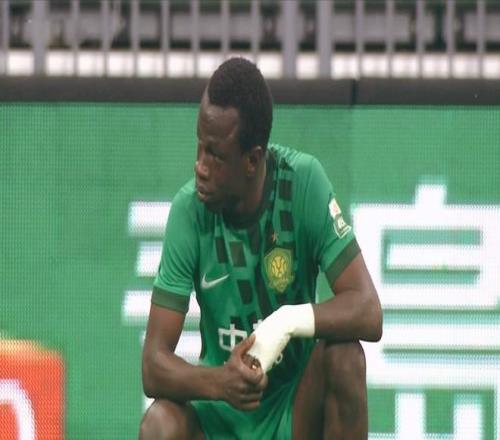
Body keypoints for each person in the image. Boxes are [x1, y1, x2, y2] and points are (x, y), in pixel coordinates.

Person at [139, 57, 382, 440]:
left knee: (346, 357)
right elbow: (153, 366)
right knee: (160, 426)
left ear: (252, 159)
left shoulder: (302, 183)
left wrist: (287, 321)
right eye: (199, 146)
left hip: (293, 410)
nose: (200, 166)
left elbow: (368, 310)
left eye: (215, 155)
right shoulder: (189, 211)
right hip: (220, 418)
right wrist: (221, 382)